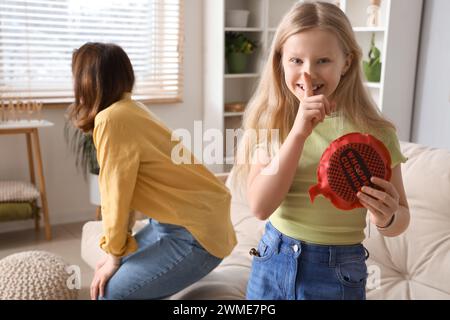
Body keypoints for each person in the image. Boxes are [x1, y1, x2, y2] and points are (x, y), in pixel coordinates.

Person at [232, 2, 410, 300]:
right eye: (296, 60)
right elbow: (260, 206)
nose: (308, 73)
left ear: (347, 63)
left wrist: (387, 217)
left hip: (337, 271)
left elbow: (400, 219)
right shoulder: (273, 121)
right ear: (280, 62)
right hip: (272, 261)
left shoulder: (377, 133)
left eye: (323, 60)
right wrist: (299, 132)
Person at [68, 42, 237, 300]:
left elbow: (115, 198)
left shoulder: (111, 120)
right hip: (180, 223)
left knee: (110, 294)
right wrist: (115, 253)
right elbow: (125, 190)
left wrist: (114, 257)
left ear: (87, 82)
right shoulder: (131, 109)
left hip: (195, 235)